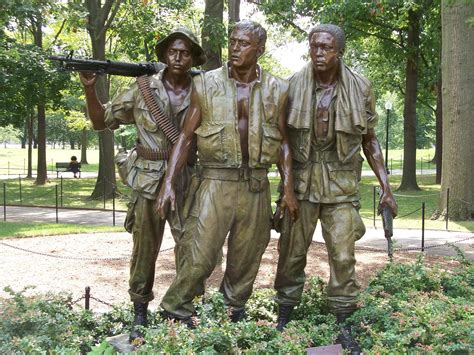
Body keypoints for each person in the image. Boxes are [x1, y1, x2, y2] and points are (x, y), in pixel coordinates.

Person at [156, 20, 299, 325]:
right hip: (215, 182)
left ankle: (231, 311)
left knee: (247, 258)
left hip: (256, 184)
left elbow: (284, 143)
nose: (235, 48)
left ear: (259, 49)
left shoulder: (279, 88)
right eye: (232, 42)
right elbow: (186, 137)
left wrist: (287, 190)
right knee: (199, 256)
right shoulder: (205, 84)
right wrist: (168, 183)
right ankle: (175, 310)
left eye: (243, 43)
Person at [273, 24, 398, 353]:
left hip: (341, 185)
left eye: (326, 48)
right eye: (314, 47)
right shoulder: (291, 86)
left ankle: (344, 321)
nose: (318, 53)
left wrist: (386, 187)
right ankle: (284, 317)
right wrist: (286, 189)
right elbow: (281, 142)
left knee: (343, 257)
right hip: (300, 185)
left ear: (339, 51)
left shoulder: (360, 87)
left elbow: (370, 142)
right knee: (290, 253)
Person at [79, 27, 206, 343]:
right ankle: (139, 312)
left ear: (192, 58)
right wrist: (90, 90)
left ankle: (182, 307)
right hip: (148, 181)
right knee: (144, 249)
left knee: (192, 247)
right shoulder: (142, 89)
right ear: (164, 55)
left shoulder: (204, 90)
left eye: (185, 52)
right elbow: (100, 122)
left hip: (187, 180)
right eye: (172, 51)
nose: (178, 57)